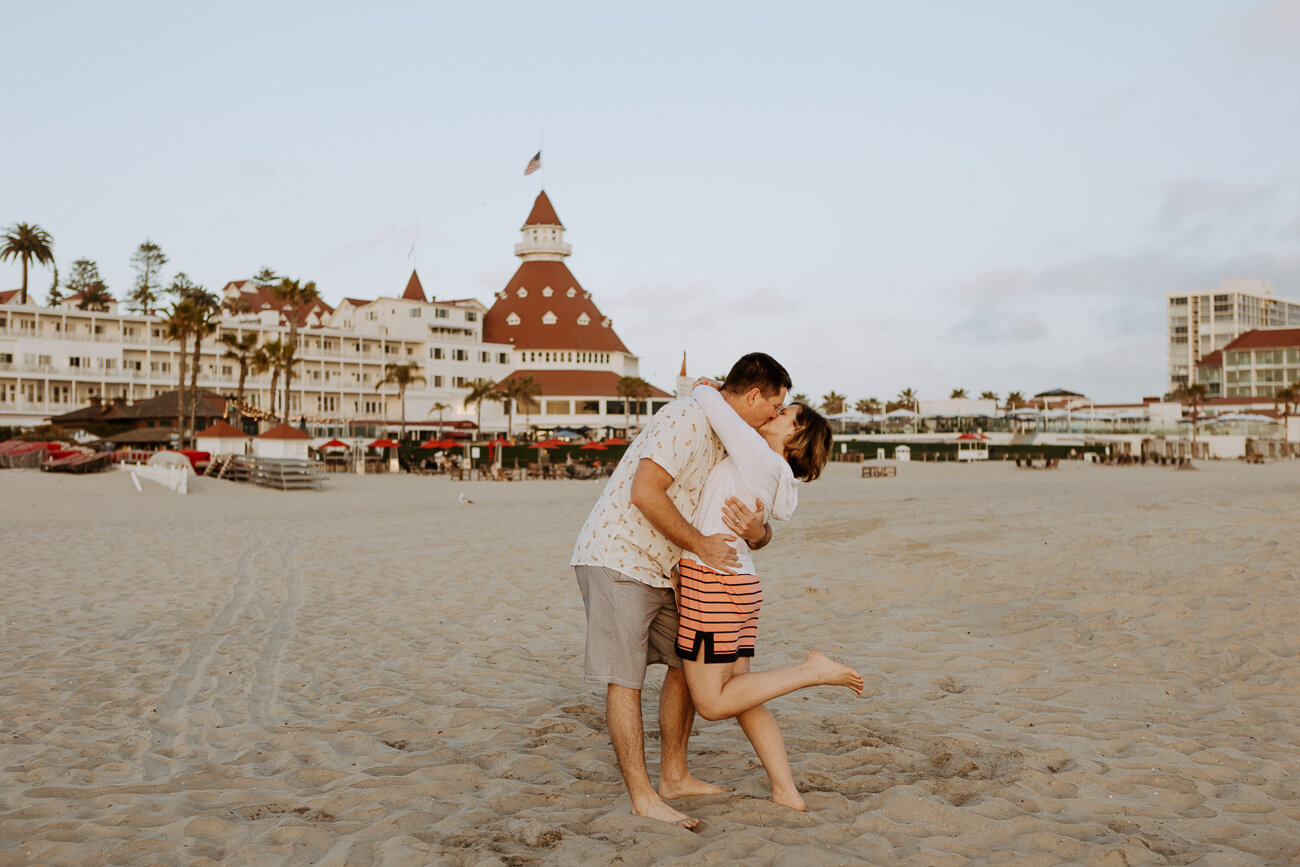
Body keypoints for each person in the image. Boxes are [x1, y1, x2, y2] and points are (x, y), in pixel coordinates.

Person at [571, 352, 792, 829]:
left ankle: (674, 774)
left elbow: (759, 529)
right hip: (619, 555)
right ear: (753, 395)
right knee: (625, 677)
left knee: (684, 664)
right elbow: (645, 492)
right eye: (773, 408)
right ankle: (643, 795)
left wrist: (756, 532)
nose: (774, 419)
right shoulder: (685, 418)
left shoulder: (737, 440)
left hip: (675, 566)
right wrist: (700, 545)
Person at [676, 380, 861, 811]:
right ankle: (785, 790)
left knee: (712, 703)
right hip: (739, 585)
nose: (773, 415)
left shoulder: (760, 458)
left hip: (714, 583)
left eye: (783, 415)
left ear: (793, 435)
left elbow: (722, 413)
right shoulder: (776, 476)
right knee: (744, 693)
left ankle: (811, 671)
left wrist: (709, 388)